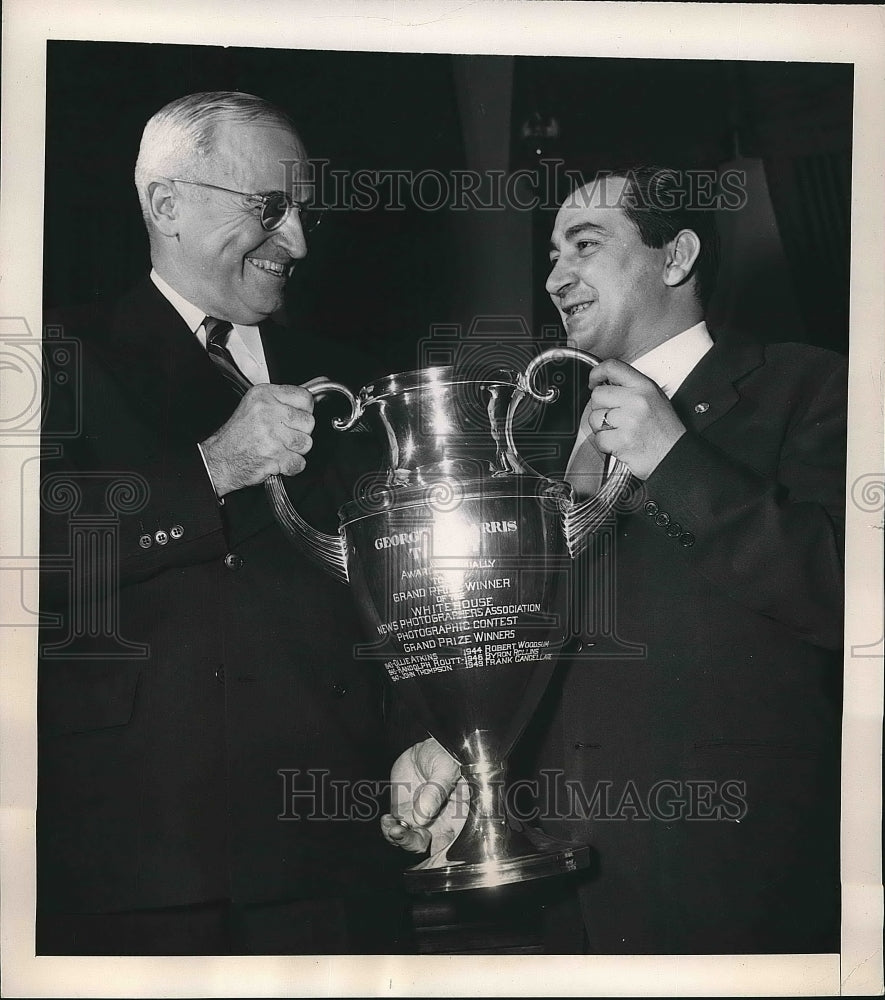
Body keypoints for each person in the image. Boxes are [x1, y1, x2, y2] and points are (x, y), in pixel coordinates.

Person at [381, 166, 846, 954]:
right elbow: (513, 638)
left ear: (676, 256)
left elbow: (847, 597)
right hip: (558, 884)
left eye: (584, 245)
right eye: (551, 254)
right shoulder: (533, 437)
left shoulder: (809, 386)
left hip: (742, 874)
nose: (555, 275)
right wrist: (458, 744)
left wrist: (676, 459)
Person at [37, 91, 408, 955]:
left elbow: (394, 593)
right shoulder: (53, 354)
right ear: (166, 205)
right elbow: (26, 553)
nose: (300, 242)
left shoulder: (350, 375)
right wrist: (210, 469)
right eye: (269, 209)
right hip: (149, 856)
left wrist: (416, 734)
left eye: (304, 211)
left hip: (343, 847)